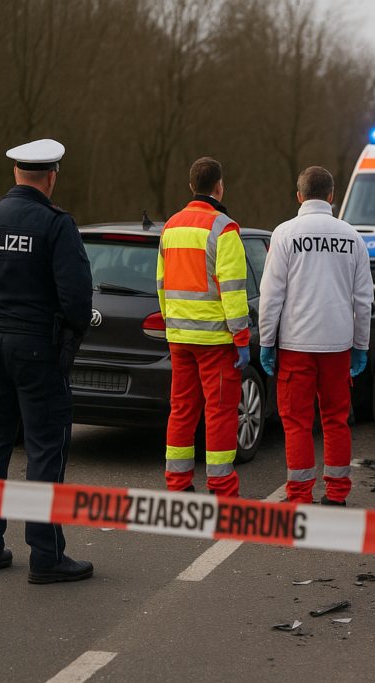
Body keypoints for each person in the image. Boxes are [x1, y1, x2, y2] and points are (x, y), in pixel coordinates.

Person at [0, 139, 94, 583]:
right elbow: (77, 301)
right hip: (38, 351)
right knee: (44, 450)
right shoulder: (56, 225)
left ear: (16, 174)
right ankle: (46, 556)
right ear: (51, 176)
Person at [258, 166, 373, 505]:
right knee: (336, 421)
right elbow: (364, 300)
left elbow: (271, 294)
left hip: (295, 345)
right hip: (338, 345)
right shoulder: (352, 237)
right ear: (332, 196)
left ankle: (299, 496)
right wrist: (361, 346)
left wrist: (267, 341)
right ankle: (336, 495)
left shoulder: (284, 234)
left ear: (299, 196)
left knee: (296, 423)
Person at [157, 157, 250, 497]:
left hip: (179, 338)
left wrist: (171, 324)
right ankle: (222, 487)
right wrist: (241, 337)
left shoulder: (170, 227)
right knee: (221, 412)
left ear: (191, 187)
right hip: (216, 341)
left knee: (181, 410)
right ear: (219, 186)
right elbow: (234, 290)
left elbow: (161, 283)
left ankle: (178, 484)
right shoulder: (224, 229)